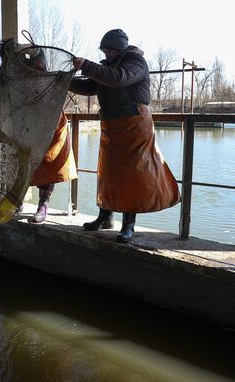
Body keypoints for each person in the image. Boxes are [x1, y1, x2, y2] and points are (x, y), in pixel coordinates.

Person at [69, 28, 180, 242]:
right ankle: (105, 216)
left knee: (133, 175)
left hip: (135, 125)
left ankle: (128, 225)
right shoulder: (106, 67)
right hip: (111, 125)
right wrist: (65, 81)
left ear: (120, 48)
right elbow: (89, 86)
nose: (106, 53)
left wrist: (86, 65)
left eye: (109, 49)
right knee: (108, 173)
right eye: (104, 50)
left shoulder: (136, 62)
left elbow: (119, 79)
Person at [27, 111, 78, 223]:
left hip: (52, 115)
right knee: (22, 159)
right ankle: (17, 201)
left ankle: (43, 205)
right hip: (29, 115)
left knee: (49, 159)